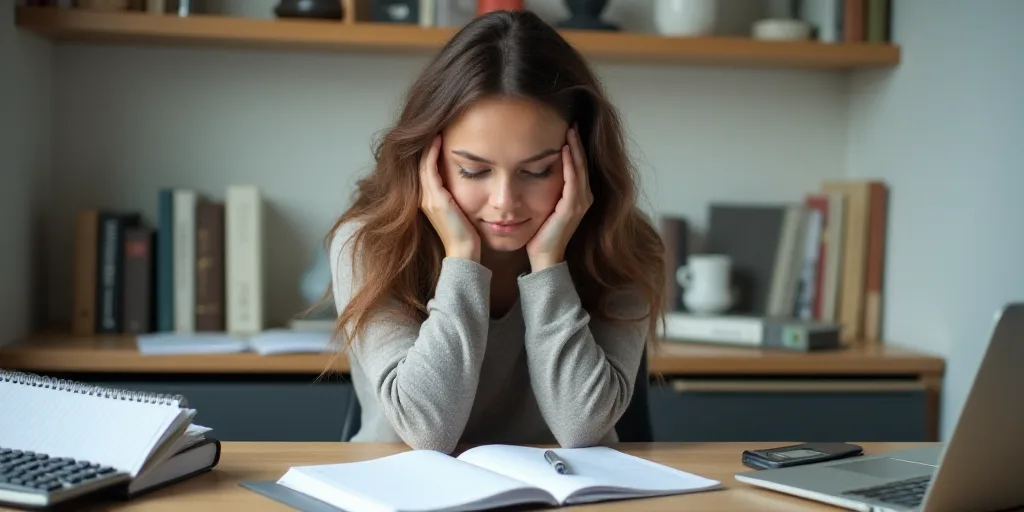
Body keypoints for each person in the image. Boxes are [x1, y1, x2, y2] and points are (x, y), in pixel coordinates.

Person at [326, 9, 665, 455]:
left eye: (538, 170)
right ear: (430, 161)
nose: (505, 200)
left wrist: (549, 266)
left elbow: (581, 428)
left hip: (565, 496)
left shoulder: (625, 244)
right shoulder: (370, 243)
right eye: (473, 170)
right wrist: (462, 259)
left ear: (582, 160)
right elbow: (428, 431)